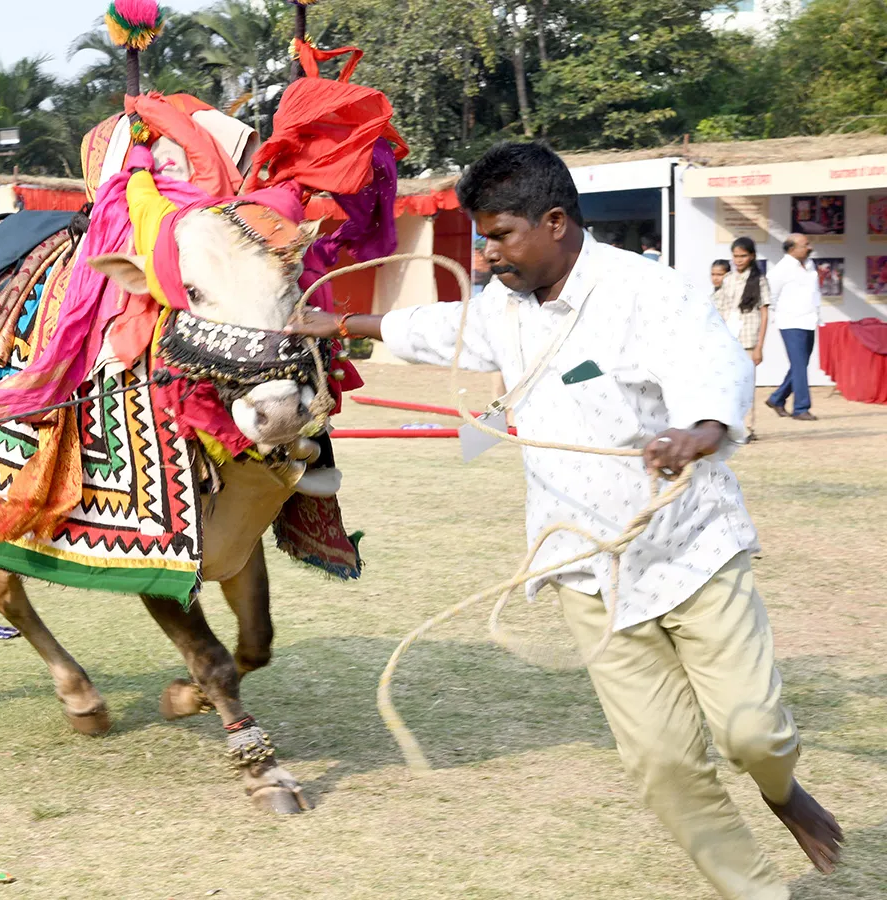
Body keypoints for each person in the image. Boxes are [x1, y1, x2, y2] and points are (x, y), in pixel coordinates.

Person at [288, 141, 842, 900]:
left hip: (690, 549)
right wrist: (343, 321)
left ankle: (782, 791)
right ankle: (757, 892)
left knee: (752, 734)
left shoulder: (648, 290)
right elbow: (437, 326)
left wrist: (698, 433)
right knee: (662, 765)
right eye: (482, 238)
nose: (487, 256)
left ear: (555, 222)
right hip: (588, 572)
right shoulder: (503, 310)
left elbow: (714, 367)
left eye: (501, 235)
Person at [713, 238, 770, 440]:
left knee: (746, 385)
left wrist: (759, 346)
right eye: (735, 256)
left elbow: (764, 314)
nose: (738, 260)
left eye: (743, 256)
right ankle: (728, 427)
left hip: (748, 338)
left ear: (752, 256)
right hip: (728, 338)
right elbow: (720, 309)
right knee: (727, 384)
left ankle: (747, 428)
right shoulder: (727, 279)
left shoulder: (759, 280)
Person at [766, 234, 821, 421]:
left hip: (810, 320)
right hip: (791, 323)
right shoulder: (780, 270)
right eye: (805, 245)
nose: (809, 247)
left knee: (800, 365)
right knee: (799, 365)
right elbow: (770, 296)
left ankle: (777, 398)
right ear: (792, 249)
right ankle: (801, 408)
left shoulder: (810, 264)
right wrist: (784, 314)